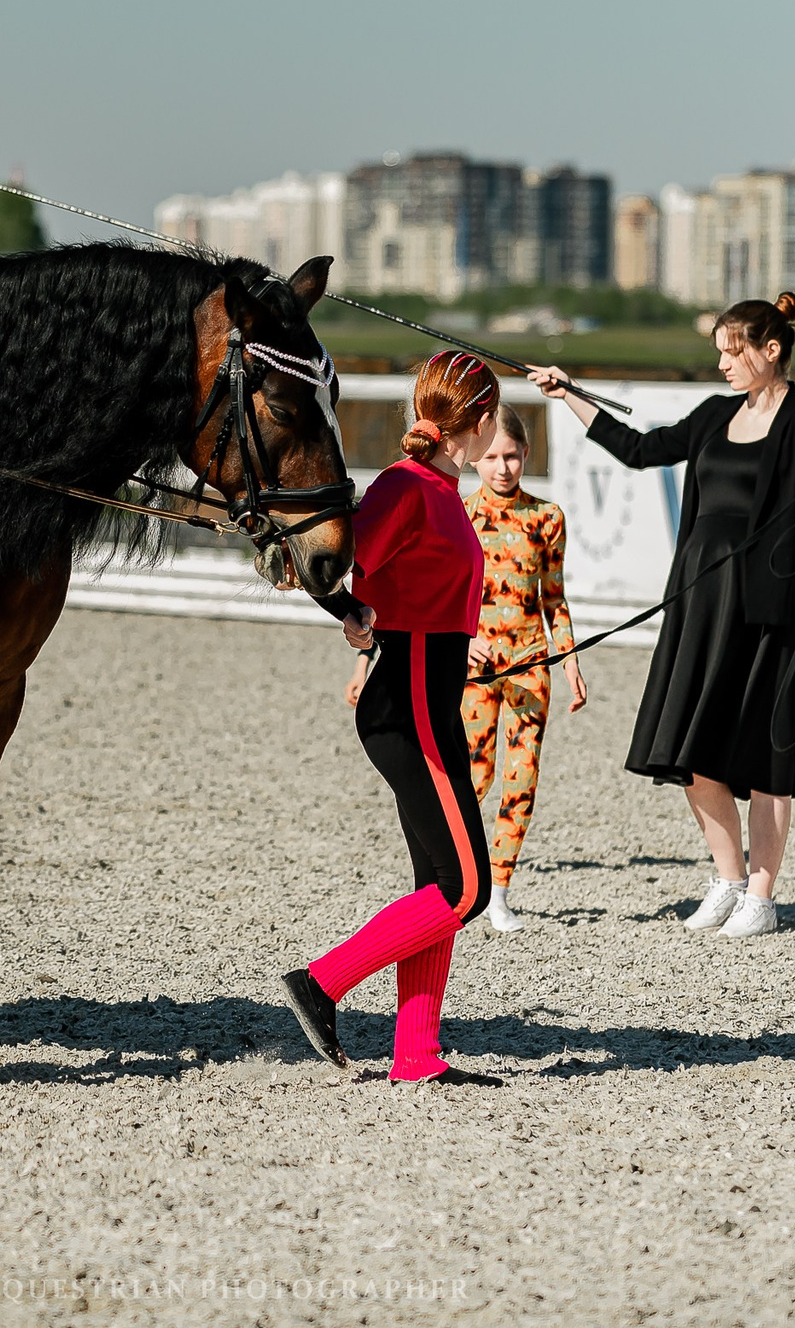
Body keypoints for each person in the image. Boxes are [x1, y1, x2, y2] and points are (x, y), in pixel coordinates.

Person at [529, 292, 795, 940]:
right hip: (701, 603)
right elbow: (642, 448)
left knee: (765, 755)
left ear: (772, 349)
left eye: (734, 352)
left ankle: (762, 895)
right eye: (720, 354)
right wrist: (570, 394)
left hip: (768, 609)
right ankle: (728, 879)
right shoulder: (711, 415)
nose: (725, 364)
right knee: (692, 748)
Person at [280, 350, 506, 1088]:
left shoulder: (438, 486)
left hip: (430, 697)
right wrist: (349, 611)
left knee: (435, 882)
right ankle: (322, 982)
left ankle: (416, 1055)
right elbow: (322, 558)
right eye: (492, 418)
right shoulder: (405, 487)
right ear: (478, 421)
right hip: (406, 701)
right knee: (467, 889)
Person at [458, 404, 585, 932]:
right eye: (490, 457)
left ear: (527, 454)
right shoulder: (460, 513)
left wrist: (571, 660)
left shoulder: (547, 518)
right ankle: (454, 879)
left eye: (511, 455)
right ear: (473, 459)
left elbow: (554, 597)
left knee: (522, 776)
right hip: (474, 665)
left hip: (532, 661)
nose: (502, 467)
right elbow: (444, 593)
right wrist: (462, 642)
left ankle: (500, 889)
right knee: (474, 773)